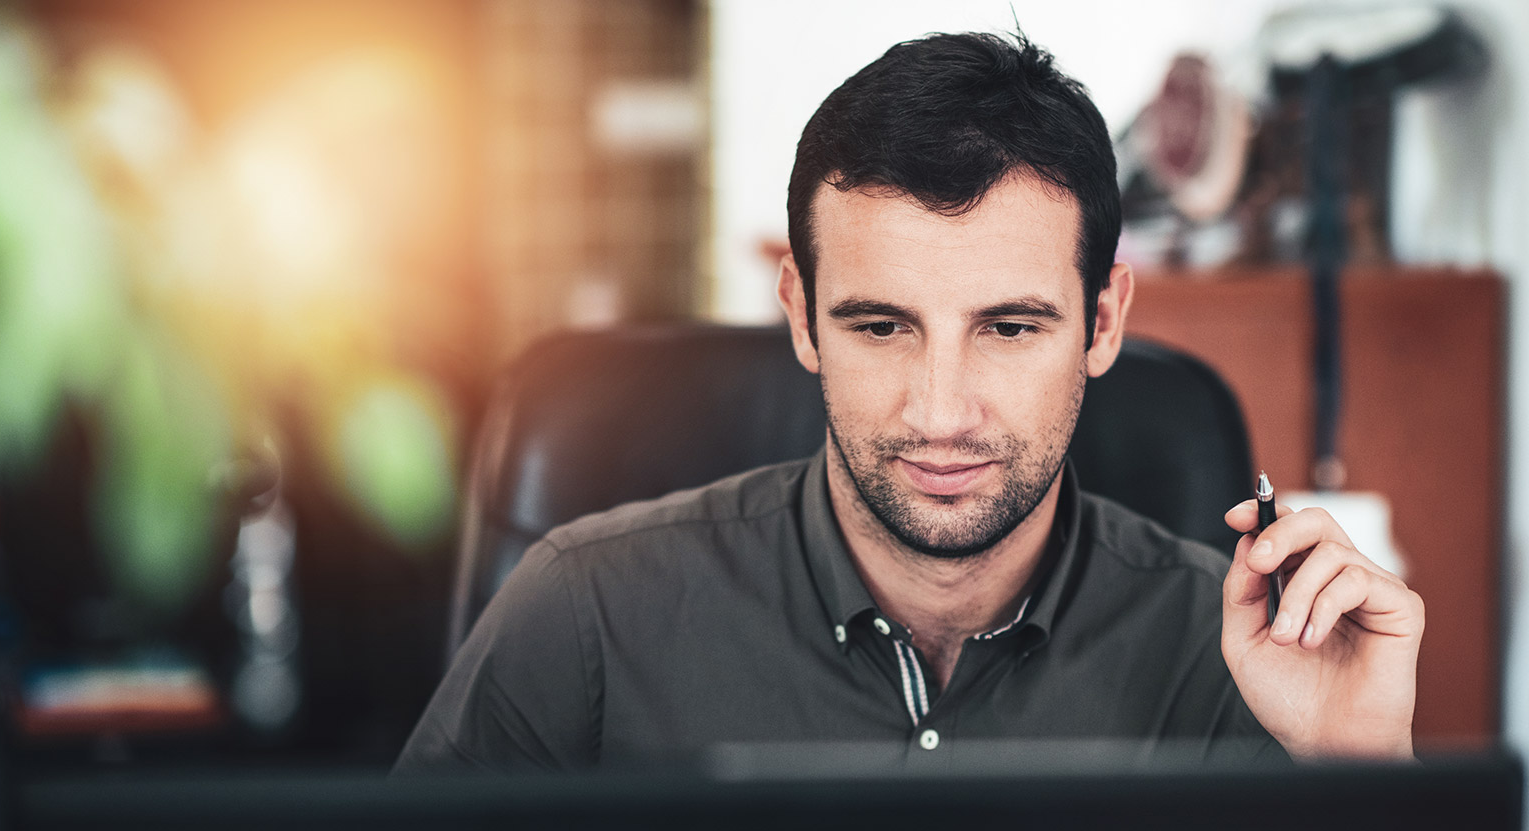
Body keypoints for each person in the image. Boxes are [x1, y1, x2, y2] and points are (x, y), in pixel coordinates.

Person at [395, 29, 1422, 773]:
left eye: (1010, 328)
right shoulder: (581, 615)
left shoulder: (1248, 665)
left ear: (1102, 324)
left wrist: (1361, 767)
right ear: (801, 316)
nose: (940, 411)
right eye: (880, 326)